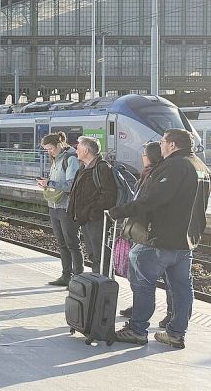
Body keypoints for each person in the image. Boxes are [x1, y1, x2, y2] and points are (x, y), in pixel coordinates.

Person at [111, 129, 210, 349]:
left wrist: (119, 211)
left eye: (163, 141)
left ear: (173, 145)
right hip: (185, 241)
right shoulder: (201, 167)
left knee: (143, 283)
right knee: (181, 288)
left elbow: (153, 199)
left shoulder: (175, 165)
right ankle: (176, 333)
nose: (161, 145)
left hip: (161, 238)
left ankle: (137, 330)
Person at [119, 141, 173, 327]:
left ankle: (169, 314)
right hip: (140, 231)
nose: (141, 157)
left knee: (165, 277)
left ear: (149, 156)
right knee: (136, 274)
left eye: (143, 153)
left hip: (153, 233)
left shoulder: (158, 175)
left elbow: (148, 203)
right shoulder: (146, 174)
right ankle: (138, 307)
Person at [37, 131, 83, 286]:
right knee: (62, 243)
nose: (48, 152)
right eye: (46, 150)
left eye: (50, 148)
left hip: (66, 207)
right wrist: (47, 182)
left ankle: (77, 277)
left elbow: (71, 185)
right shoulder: (56, 159)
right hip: (54, 206)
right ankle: (66, 275)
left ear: (59, 145)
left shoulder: (71, 159)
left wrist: (50, 184)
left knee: (72, 243)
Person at [67, 135, 117, 272]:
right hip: (86, 219)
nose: (76, 150)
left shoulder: (102, 168)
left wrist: (91, 213)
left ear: (86, 151)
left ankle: (103, 285)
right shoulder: (83, 168)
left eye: (78, 148)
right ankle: (97, 284)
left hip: (96, 220)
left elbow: (108, 196)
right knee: (93, 255)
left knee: (100, 256)